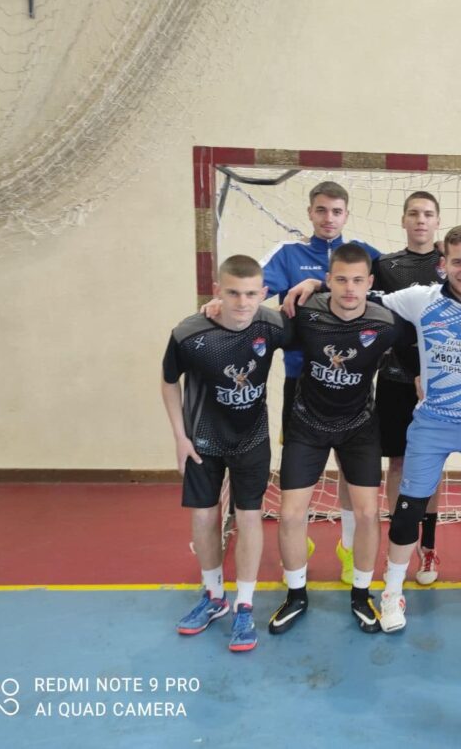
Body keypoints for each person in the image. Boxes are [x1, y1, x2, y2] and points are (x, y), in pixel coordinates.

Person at [282, 225, 461, 634]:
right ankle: (392, 593)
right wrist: (314, 283)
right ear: (443, 264)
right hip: (433, 422)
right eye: (457, 262)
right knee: (406, 512)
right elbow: (359, 294)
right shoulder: (419, 298)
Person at [210, 181, 381, 584]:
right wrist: (221, 303)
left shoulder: (364, 254)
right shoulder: (288, 254)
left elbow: (397, 285)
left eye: (336, 211)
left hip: (351, 382)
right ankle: (297, 543)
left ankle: (348, 546)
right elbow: (252, 290)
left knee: (351, 474)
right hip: (301, 381)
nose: (328, 218)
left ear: (346, 214)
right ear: (309, 212)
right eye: (321, 210)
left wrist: (318, 283)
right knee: (299, 472)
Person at [268, 243, 415, 635]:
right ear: (327, 280)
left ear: (370, 283)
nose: (349, 289)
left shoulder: (386, 322)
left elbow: (424, 340)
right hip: (307, 424)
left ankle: (361, 594)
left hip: (359, 427)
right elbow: (257, 328)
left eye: (357, 281)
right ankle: (296, 595)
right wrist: (218, 310)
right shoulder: (305, 313)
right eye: (341, 280)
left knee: (368, 513)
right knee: (290, 514)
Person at [162, 254, 289, 653]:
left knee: (249, 516)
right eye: (233, 293)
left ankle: (244, 605)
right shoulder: (189, 333)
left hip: (251, 438)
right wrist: (179, 437)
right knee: (204, 515)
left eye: (251, 294)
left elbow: (321, 325)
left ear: (263, 293)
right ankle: (214, 595)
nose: (242, 302)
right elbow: (168, 382)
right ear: (217, 291)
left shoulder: (272, 325)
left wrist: (311, 284)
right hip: (203, 439)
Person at [372, 191, 446, 585]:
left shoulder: (451, 263)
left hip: (441, 381)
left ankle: (428, 548)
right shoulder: (384, 265)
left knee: (431, 465)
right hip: (395, 380)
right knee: (398, 464)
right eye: (414, 213)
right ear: (403, 220)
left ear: (437, 221)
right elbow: (348, 282)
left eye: (428, 214)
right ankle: (399, 544)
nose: (420, 220)